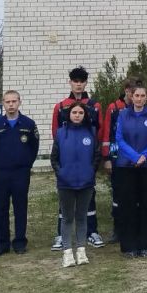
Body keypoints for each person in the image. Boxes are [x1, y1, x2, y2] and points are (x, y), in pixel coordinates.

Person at [50, 66, 104, 251]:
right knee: (65, 200)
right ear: (70, 83)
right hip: (67, 160)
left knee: (89, 197)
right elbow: (56, 132)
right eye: (75, 81)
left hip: (86, 158)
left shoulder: (95, 105)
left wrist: (94, 160)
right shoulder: (61, 106)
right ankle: (61, 235)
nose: (78, 85)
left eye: (81, 82)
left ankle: (92, 232)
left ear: (86, 83)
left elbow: (99, 131)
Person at [114, 85, 147, 258]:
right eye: (137, 95)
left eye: (143, 95)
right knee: (127, 205)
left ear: (146, 97)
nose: (139, 98)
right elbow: (119, 138)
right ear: (131, 97)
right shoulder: (123, 114)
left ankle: (146, 245)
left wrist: (144, 156)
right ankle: (129, 246)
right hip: (127, 165)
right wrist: (135, 156)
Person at [0, 90, 39, 255]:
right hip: (0, 173)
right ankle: (1, 244)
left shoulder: (28, 124)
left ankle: (20, 242)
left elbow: (34, 147)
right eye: (7, 102)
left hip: (20, 173)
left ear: (19, 102)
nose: (11, 104)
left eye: (14, 101)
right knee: (0, 208)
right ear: (3, 103)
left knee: (20, 207)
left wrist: (26, 164)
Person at [101, 77, 139, 244]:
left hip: (137, 158)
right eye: (132, 92)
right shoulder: (114, 108)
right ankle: (118, 229)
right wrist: (108, 158)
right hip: (118, 158)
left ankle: (136, 227)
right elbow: (108, 134)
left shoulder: (141, 108)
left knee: (137, 193)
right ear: (126, 91)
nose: (135, 96)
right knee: (119, 194)